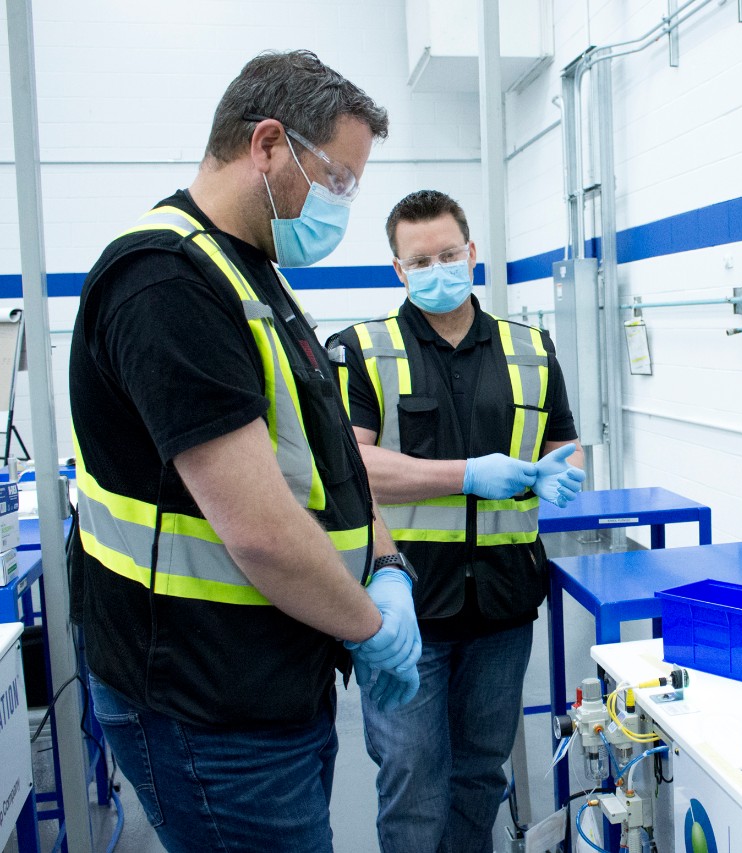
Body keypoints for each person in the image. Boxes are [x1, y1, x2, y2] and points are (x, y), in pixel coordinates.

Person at [68, 51, 422, 852]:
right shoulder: (165, 282)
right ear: (267, 144)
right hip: (205, 706)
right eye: (338, 178)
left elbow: (333, 467)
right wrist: (370, 627)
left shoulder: (250, 277)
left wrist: (389, 566)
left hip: (272, 685)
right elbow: (259, 527)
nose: (342, 204)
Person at [329, 189, 586, 852]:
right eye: (421, 261)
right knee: (413, 782)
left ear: (471, 253)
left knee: (480, 776)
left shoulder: (530, 348)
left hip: (502, 605)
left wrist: (563, 468)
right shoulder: (361, 349)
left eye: (449, 254)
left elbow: (561, 440)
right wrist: (468, 473)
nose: (438, 268)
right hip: (405, 609)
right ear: (398, 270)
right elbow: (348, 468)